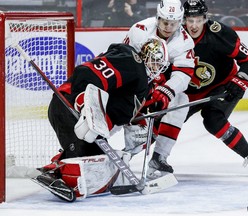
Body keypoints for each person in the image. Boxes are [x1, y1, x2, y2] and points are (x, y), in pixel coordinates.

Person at [33, 37, 170, 201]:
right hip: (70, 106)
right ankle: (56, 176)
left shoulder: (144, 83)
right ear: (145, 56)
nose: (157, 67)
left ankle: (54, 167)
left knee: (100, 162)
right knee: (81, 158)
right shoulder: (132, 62)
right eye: (154, 61)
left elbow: (123, 108)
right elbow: (88, 72)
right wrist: (83, 99)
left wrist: (140, 124)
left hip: (91, 123)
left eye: (160, 64)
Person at [146, 0, 248, 177]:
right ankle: (148, 158)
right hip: (187, 93)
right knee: (160, 121)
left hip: (221, 87)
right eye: (190, 20)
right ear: (182, 20)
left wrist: (240, 80)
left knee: (213, 120)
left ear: (206, 18)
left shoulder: (220, 34)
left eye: (198, 20)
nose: (194, 25)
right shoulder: (172, 37)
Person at [122, 0, 196, 178]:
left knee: (181, 101)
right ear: (157, 18)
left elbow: (183, 75)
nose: (169, 27)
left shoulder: (184, 42)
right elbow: (122, 59)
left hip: (157, 85)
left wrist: (165, 91)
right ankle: (87, 151)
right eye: (165, 22)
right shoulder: (140, 30)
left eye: (174, 23)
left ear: (180, 21)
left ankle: (159, 156)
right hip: (131, 83)